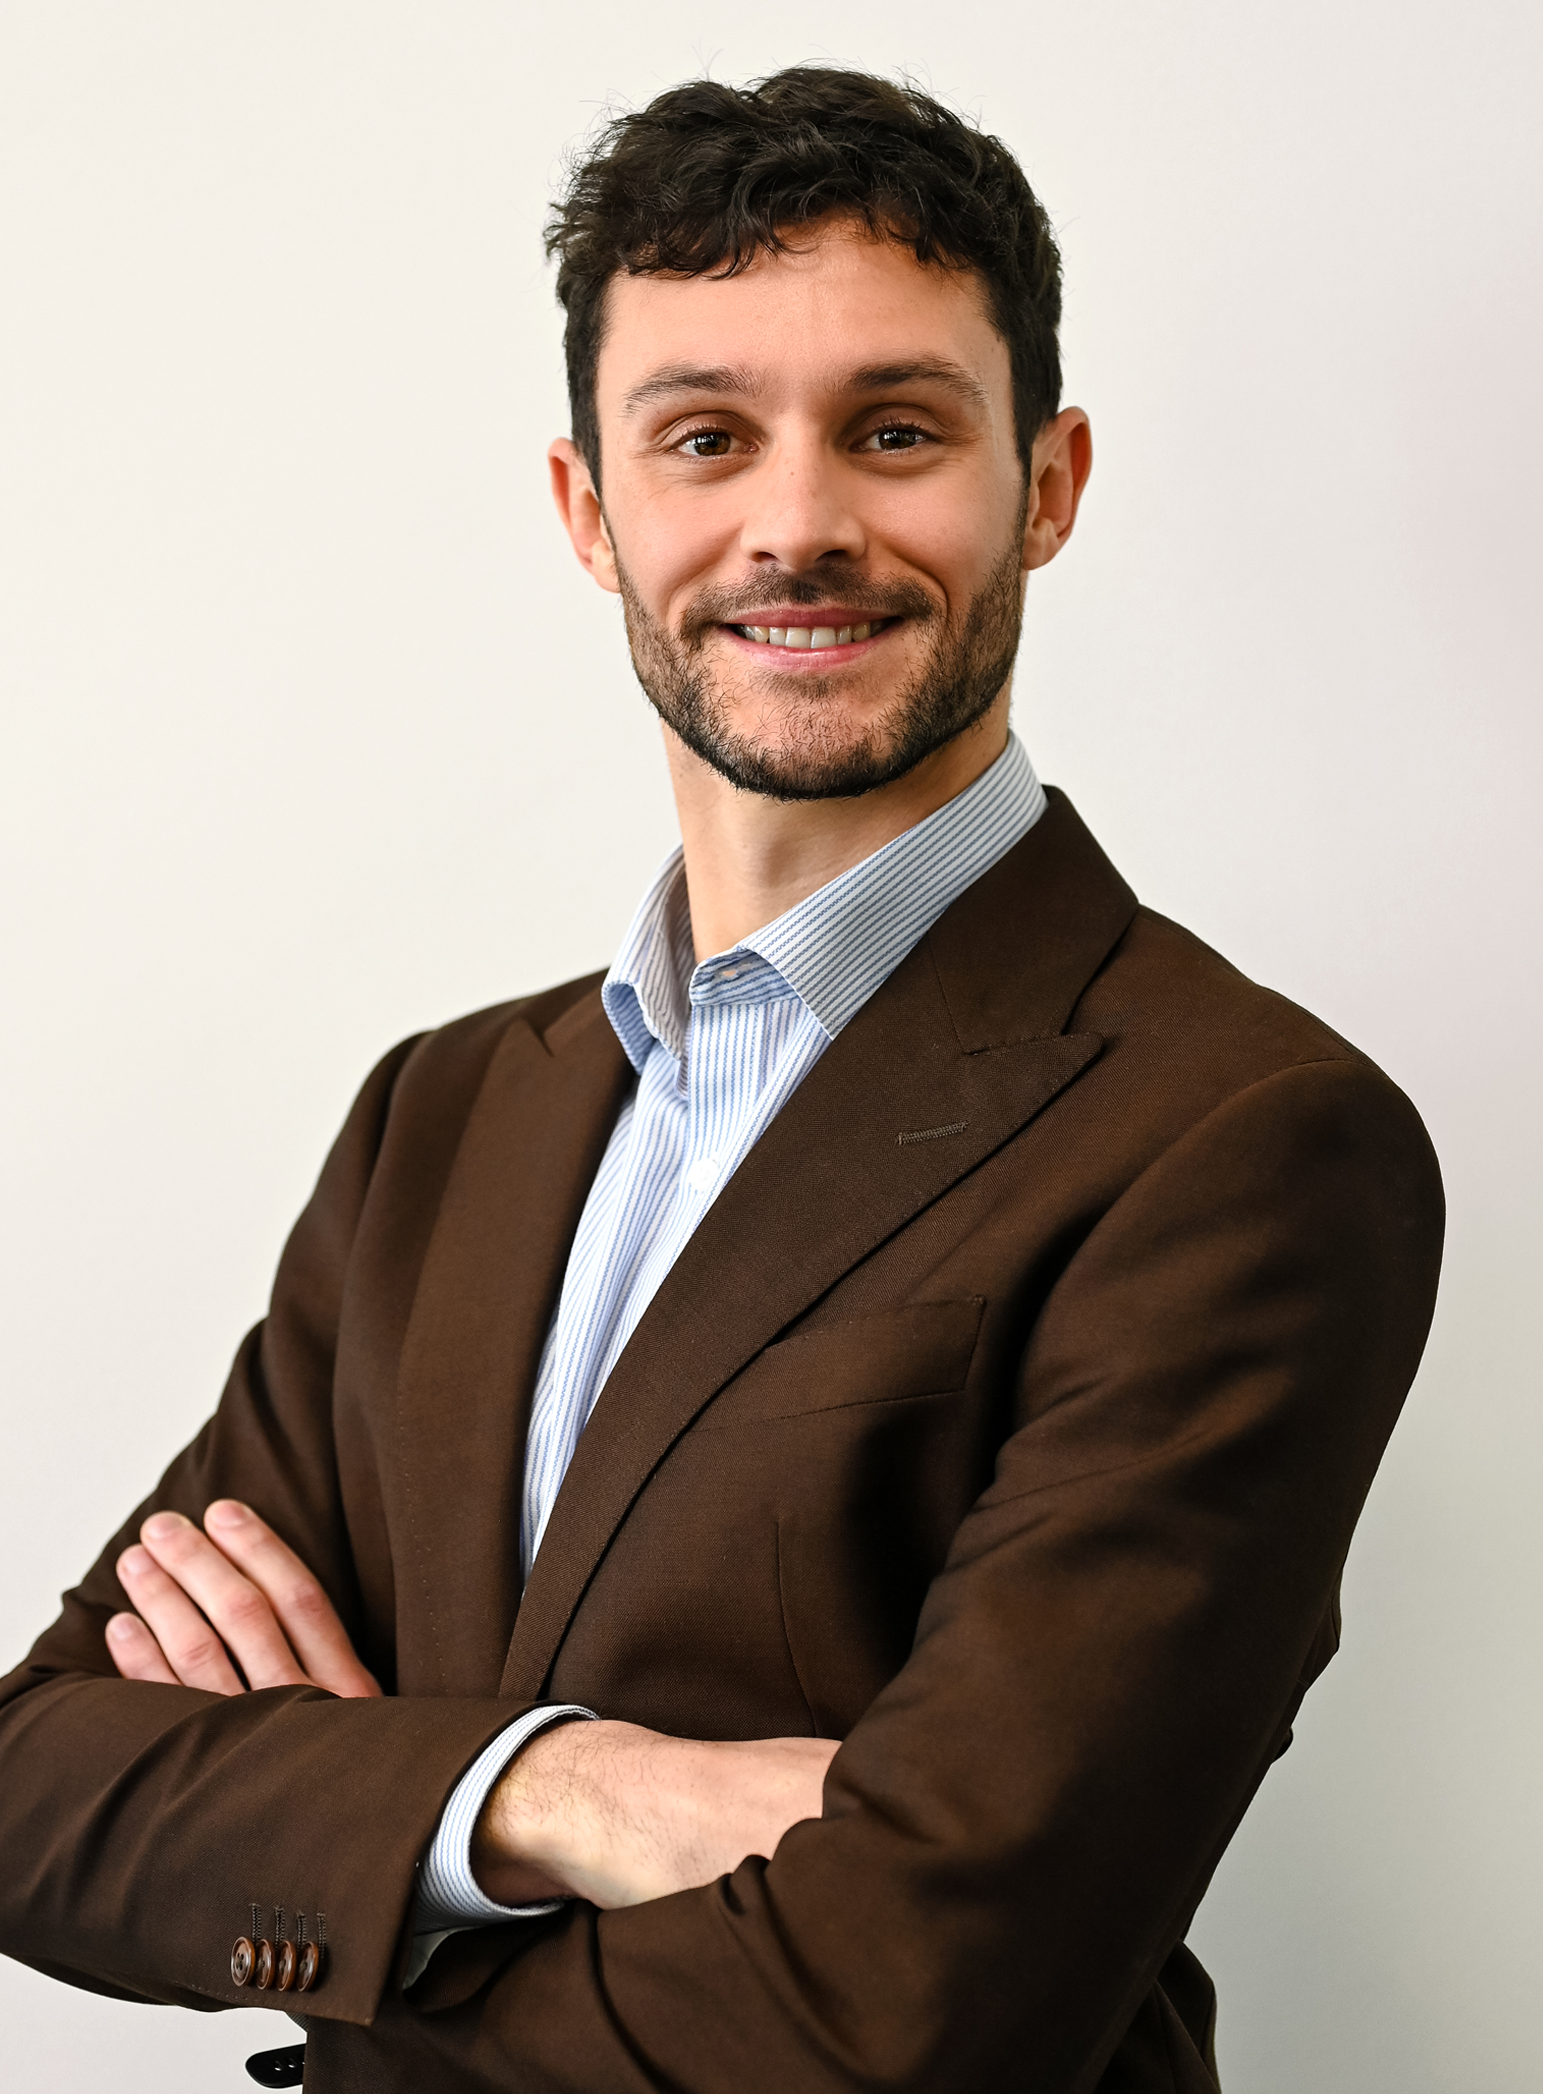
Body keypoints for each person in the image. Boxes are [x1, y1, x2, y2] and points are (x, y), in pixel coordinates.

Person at [0, 67, 1442, 2094]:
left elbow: (917, 2011)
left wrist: (353, 1838)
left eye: (896, 429)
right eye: (704, 437)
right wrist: (558, 1792)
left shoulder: (1243, 1141)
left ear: (1046, 484)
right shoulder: (440, 1119)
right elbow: (40, 1786)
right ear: (591, 512)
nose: (798, 525)